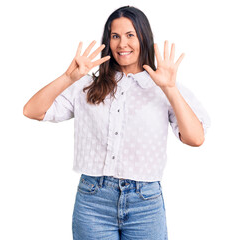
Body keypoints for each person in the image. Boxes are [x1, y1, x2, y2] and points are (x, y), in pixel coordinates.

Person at [23, 5, 210, 240]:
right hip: (93, 201)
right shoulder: (86, 86)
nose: (122, 44)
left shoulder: (164, 87)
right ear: (108, 41)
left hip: (145, 203)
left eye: (130, 35)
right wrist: (68, 77)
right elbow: (32, 111)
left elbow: (195, 138)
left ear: (143, 37)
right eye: (115, 36)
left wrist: (170, 88)